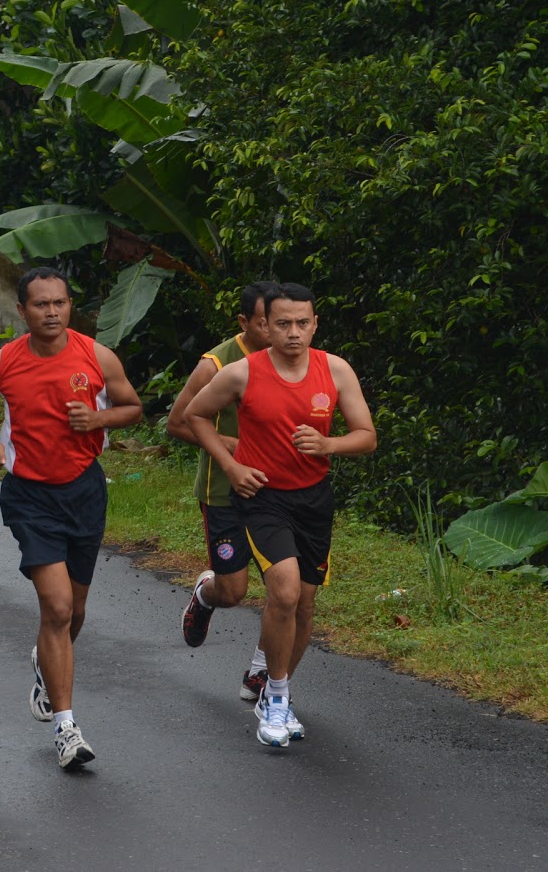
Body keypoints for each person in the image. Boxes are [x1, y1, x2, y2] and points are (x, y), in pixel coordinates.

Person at [184, 283, 377, 748]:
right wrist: (231, 466)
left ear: (315, 324)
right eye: (283, 324)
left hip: (313, 499)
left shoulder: (335, 370)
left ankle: (277, 690)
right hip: (263, 497)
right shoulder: (240, 373)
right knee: (285, 592)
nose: (294, 333)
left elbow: (367, 436)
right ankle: (275, 700)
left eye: (302, 323)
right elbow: (194, 415)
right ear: (264, 326)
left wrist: (329, 444)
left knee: (305, 603)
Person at [0, 267, 144, 770]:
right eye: (41, 305)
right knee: (59, 607)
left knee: (75, 613)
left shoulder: (96, 356)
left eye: (60, 303)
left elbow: (133, 407)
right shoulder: (0, 363)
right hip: (29, 496)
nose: (51, 312)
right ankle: (67, 729)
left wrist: (99, 419)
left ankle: (46, 665)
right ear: (22, 311)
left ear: (70, 306)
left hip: (84, 490)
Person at [167, 280, 281, 702]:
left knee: (285, 589)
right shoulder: (216, 364)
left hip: (280, 492)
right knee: (234, 591)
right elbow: (177, 424)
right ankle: (205, 593)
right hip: (224, 491)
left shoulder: (295, 361)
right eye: (266, 323)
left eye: (286, 322)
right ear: (244, 322)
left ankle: (260, 671)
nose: (278, 332)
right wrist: (239, 451)